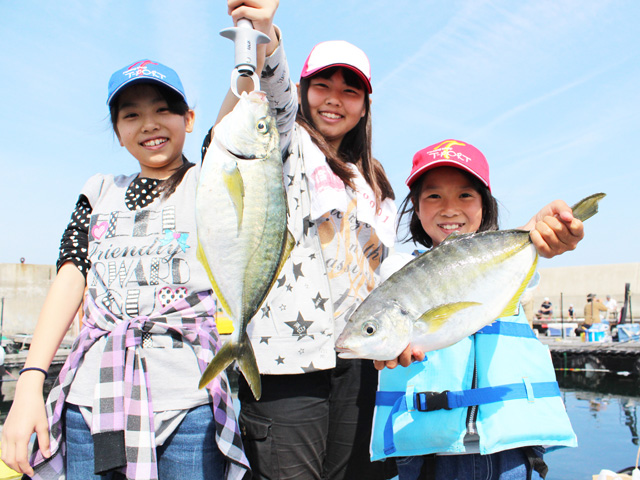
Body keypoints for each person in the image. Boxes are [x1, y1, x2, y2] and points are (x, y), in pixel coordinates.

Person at [0, 60, 252, 479]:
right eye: (131, 115)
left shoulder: (209, 179)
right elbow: (71, 273)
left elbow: (244, 100)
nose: (149, 124)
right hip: (93, 406)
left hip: (190, 407)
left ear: (190, 120)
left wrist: (255, 38)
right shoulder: (99, 191)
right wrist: (29, 380)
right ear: (118, 132)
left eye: (163, 110)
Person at [203, 2, 398, 478]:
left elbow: (384, 271)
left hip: (355, 361)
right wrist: (265, 31)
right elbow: (273, 95)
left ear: (365, 106)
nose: (335, 99)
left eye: (350, 91)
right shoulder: (289, 144)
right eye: (323, 86)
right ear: (303, 89)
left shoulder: (376, 184)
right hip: (286, 360)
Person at [371, 139, 580, 480]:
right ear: (416, 208)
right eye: (433, 195)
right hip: (428, 458)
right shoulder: (397, 273)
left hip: (510, 454)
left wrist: (542, 228)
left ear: (485, 204)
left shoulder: (506, 269)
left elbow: (523, 262)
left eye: (465, 195)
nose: (449, 208)